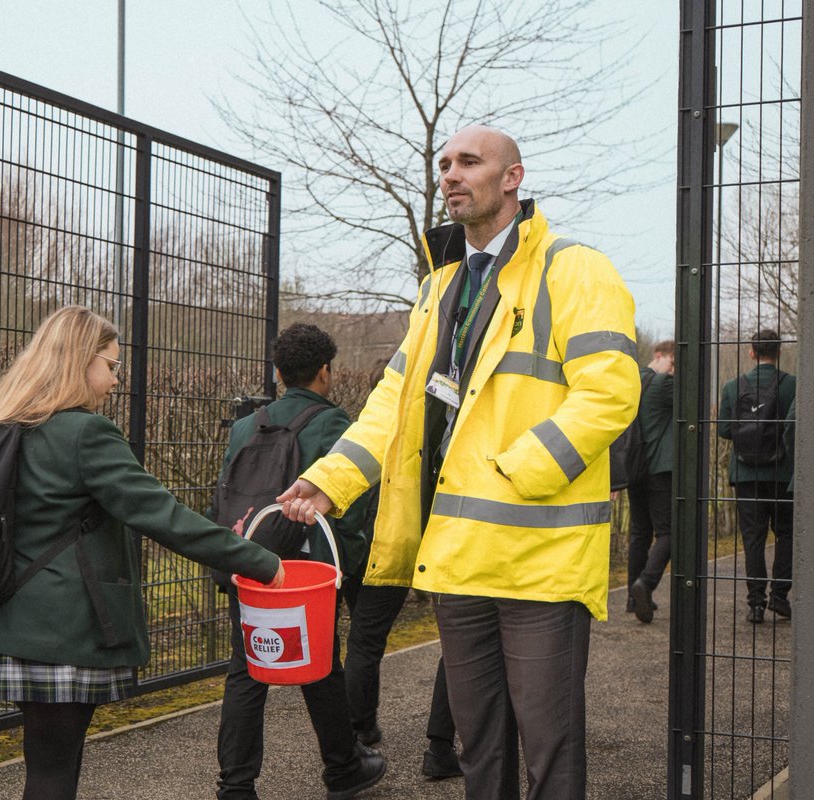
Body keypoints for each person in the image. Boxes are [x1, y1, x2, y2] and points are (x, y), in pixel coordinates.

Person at [279, 125, 639, 800]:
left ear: (512, 178)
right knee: (480, 751)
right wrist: (327, 480)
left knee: (550, 751)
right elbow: (392, 406)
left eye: (469, 161)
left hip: (541, 560)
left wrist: (520, 473)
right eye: (444, 163)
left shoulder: (575, 269)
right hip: (460, 558)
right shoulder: (439, 289)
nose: (450, 173)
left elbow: (611, 394)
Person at [0, 305, 284, 800]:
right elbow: (164, 516)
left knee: (47, 761)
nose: (117, 379)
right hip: (62, 630)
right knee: (54, 773)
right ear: (79, 362)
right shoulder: (85, 433)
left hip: (4, 620)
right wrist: (261, 561)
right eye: (111, 365)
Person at [213, 324, 385, 800]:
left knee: (246, 670)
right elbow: (351, 509)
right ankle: (344, 767)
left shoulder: (249, 424)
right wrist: (341, 569)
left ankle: (236, 785)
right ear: (326, 371)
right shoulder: (334, 424)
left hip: (250, 561)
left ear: (278, 371)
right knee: (322, 665)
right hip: (304, 573)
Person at [342, 358, 460, 779]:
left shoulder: (355, 431)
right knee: (456, 641)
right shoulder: (429, 432)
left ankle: (359, 731)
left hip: (357, 551)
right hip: (404, 545)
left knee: (363, 641)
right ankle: (439, 745)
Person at [717, 329, 796, 624]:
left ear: (751, 352)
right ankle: (780, 597)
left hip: (746, 473)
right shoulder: (793, 385)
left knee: (753, 539)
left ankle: (756, 605)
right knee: (785, 534)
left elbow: (725, 430)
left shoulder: (733, 386)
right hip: (783, 474)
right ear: (780, 352)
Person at [628, 341, 676, 624]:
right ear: (659, 356)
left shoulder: (634, 381)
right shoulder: (661, 384)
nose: (672, 370)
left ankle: (634, 599)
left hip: (635, 467)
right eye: (671, 363)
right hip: (659, 468)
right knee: (669, 532)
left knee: (639, 533)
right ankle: (645, 584)